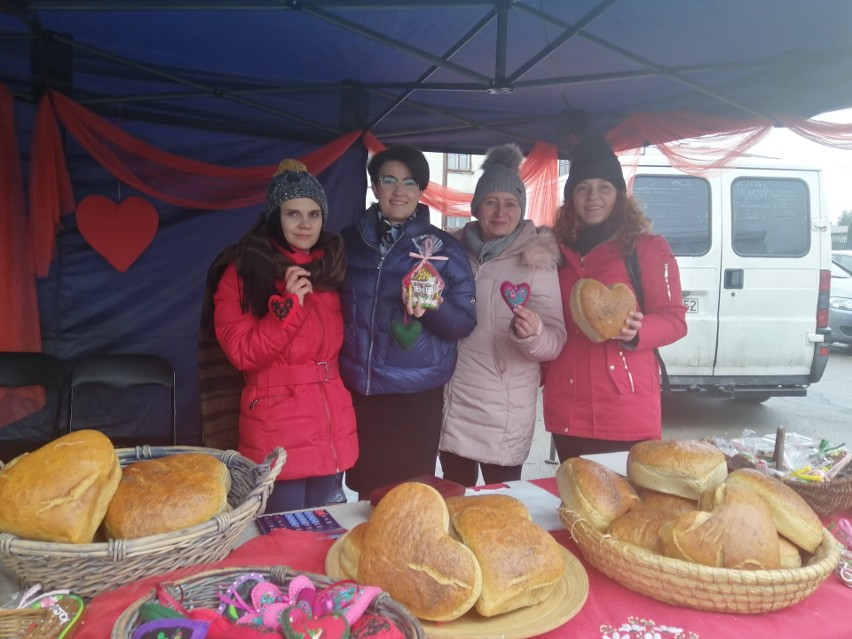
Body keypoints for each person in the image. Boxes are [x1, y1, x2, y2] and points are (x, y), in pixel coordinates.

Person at [207, 159, 358, 512]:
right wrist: (290, 306)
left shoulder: (330, 268)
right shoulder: (244, 271)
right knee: (281, 537)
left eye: (314, 214)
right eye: (293, 214)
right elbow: (242, 352)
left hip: (330, 421)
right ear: (275, 216)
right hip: (277, 426)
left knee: (320, 531)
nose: (305, 224)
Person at [339, 145, 477, 499]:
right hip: (362, 392)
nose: (399, 191)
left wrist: (431, 308)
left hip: (415, 399)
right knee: (366, 495)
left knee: (410, 497)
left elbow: (463, 324)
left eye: (409, 182)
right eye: (389, 180)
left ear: (420, 190)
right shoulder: (347, 243)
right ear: (375, 186)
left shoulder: (443, 249)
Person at [543, 136, 688, 462]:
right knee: (579, 502)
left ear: (619, 195)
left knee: (626, 505)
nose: (593, 197)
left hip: (625, 408)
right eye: (582, 188)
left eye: (604, 187)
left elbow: (675, 319)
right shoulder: (555, 253)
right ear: (571, 197)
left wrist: (640, 331)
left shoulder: (647, 248)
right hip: (568, 406)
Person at [439, 144, 566, 486]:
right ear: (476, 206)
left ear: (521, 208)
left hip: (506, 412)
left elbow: (555, 340)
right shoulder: (450, 252)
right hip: (455, 402)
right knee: (456, 500)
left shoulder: (536, 259)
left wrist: (534, 334)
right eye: (491, 202)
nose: (500, 212)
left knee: (502, 508)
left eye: (510, 203)